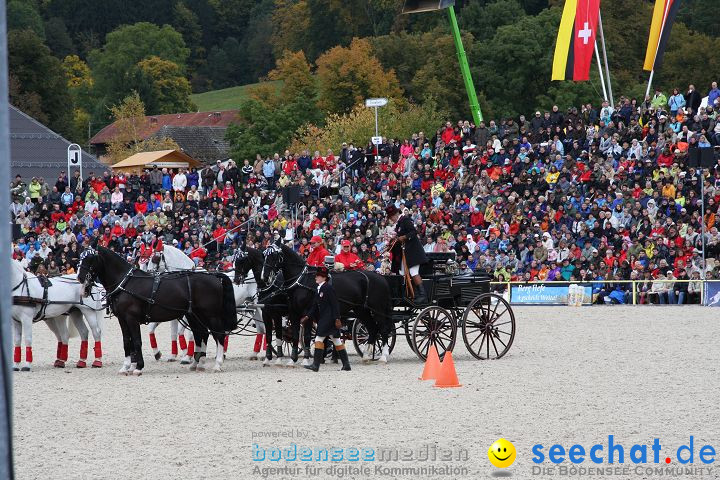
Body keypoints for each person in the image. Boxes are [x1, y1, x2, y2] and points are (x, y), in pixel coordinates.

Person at [301, 266, 350, 372]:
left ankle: (316, 365)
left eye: (318, 276)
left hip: (328, 318)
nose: (316, 277)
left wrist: (337, 318)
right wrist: (307, 316)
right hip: (325, 317)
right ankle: (346, 365)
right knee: (336, 340)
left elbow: (335, 305)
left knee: (319, 339)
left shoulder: (328, 288)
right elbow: (314, 306)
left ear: (324, 278)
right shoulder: (319, 289)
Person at [386, 204, 429, 304]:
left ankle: (423, 296)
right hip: (405, 253)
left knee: (413, 272)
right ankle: (405, 295)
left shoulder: (405, 220)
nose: (391, 219)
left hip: (414, 252)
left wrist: (404, 237)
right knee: (401, 272)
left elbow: (413, 232)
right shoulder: (399, 223)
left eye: (391, 216)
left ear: (395, 214)